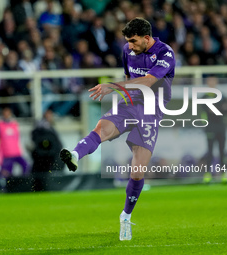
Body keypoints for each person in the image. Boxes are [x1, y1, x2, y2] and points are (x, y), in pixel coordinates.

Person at [59, 18, 175, 240]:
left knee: (137, 171)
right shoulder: (126, 50)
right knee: (101, 128)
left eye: (133, 41)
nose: (130, 45)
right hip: (129, 103)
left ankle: (125, 216)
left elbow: (148, 81)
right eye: (128, 41)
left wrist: (111, 86)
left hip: (151, 110)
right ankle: (74, 154)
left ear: (147, 38)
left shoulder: (164, 53)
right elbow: (129, 77)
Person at [201, 76, 227, 184]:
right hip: (210, 127)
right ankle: (208, 174)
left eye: (214, 81)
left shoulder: (221, 95)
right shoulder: (204, 96)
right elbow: (209, 110)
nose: (212, 83)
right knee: (210, 152)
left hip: (221, 127)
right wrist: (221, 108)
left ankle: (223, 174)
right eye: (210, 81)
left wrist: (216, 108)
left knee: (222, 151)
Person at [0, 107, 28, 178]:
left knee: (26, 165)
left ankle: (23, 183)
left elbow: (19, 138)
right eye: (5, 113)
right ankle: (8, 187)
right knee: (7, 173)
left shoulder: (15, 125)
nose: (7, 115)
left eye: (8, 113)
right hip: (6, 154)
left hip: (16, 152)